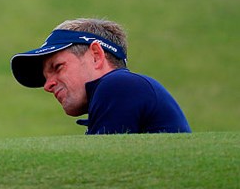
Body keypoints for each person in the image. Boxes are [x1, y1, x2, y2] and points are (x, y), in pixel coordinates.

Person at [10, 18, 191, 134]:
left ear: (96, 55)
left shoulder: (118, 85)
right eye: (45, 77)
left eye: (58, 67)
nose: (47, 85)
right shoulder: (122, 89)